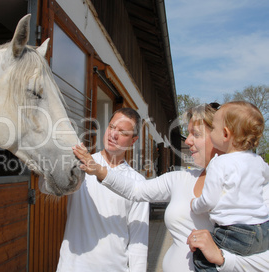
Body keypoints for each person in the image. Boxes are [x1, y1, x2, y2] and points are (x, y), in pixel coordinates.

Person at [73, 103, 269, 272]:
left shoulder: (256, 183)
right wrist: (98, 170)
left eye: (196, 134)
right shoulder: (180, 179)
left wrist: (222, 258)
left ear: (222, 135)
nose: (188, 140)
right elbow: (136, 190)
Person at [56, 108, 150, 271]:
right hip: (72, 266)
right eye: (112, 127)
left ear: (133, 140)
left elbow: (138, 243)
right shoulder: (80, 164)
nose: (113, 135)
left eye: (123, 132)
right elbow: (46, 187)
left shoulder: (137, 183)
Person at [190, 101, 269, 271]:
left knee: (201, 256)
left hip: (235, 232)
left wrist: (195, 205)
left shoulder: (220, 163)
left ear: (225, 134)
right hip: (263, 231)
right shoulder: (259, 161)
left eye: (214, 129)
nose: (212, 134)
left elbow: (209, 201)